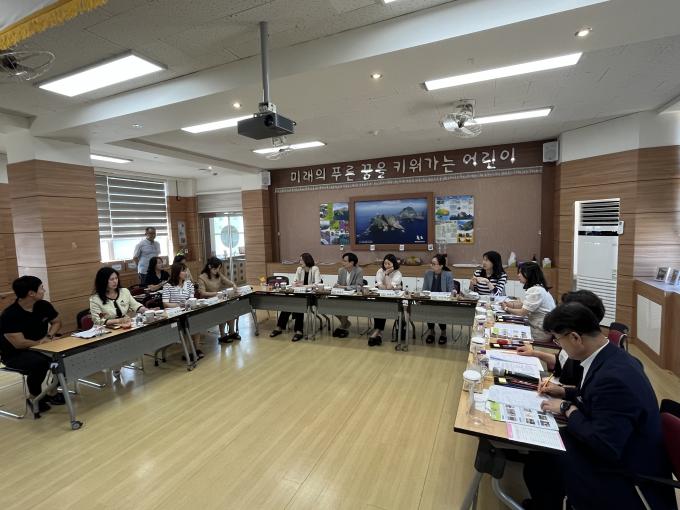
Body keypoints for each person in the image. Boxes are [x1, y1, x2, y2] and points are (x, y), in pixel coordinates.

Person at [522, 302, 677, 510]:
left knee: (545, 459)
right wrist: (564, 392)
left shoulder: (614, 379)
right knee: (542, 452)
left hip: (628, 476)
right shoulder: (610, 356)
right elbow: (595, 396)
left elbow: (604, 444)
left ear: (575, 338)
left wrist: (567, 408)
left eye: (558, 340)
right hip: (617, 447)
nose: (559, 346)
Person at [0, 276, 65, 414]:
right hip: (16, 354)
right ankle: (34, 397)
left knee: (65, 357)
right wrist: (41, 343)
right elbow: (19, 343)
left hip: (42, 347)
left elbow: (57, 322)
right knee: (40, 363)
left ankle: (52, 391)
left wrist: (49, 336)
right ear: (31, 293)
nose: (44, 290)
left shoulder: (43, 305)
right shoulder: (9, 315)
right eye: (41, 288)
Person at [517, 289, 605, 386]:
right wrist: (534, 353)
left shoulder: (583, 352)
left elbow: (578, 389)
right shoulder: (574, 343)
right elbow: (562, 361)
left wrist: (563, 392)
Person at [269, 253, 321, 342]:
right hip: (299, 294)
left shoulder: (315, 269)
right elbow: (294, 282)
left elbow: (317, 284)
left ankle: (299, 331)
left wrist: (303, 286)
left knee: (298, 304)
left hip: (311, 296)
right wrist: (295, 284)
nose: (300, 262)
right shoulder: (299, 269)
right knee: (289, 303)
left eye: (301, 260)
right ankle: (279, 327)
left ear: (307, 260)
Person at [500, 262, 555, 341]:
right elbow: (525, 305)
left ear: (530, 274)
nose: (518, 275)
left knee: (505, 332)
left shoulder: (536, 290)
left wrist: (506, 308)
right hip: (539, 327)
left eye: (521, 272)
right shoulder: (538, 287)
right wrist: (510, 304)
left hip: (539, 332)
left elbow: (522, 312)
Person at [162, 263, 202, 359]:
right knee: (185, 323)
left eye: (186, 270)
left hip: (187, 310)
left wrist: (187, 304)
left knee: (196, 320)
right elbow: (165, 304)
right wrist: (179, 305)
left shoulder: (188, 284)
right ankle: (187, 352)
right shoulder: (168, 286)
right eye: (183, 271)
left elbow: (191, 299)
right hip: (175, 313)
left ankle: (196, 349)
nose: (186, 273)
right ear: (177, 272)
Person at [197, 257, 240, 343]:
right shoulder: (202, 277)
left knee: (231, 308)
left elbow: (227, 281)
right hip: (209, 303)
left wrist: (233, 285)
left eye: (219, 268)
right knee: (223, 311)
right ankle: (223, 335)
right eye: (216, 268)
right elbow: (202, 293)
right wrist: (216, 294)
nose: (217, 270)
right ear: (209, 266)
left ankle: (231, 332)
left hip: (219, 300)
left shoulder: (218, 275)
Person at [368, 254, 402, 346]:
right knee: (378, 307)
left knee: (383, 307)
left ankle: (377, 332)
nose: (386, 265)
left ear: (394, 264)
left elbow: (388, 287)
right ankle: (379, 333)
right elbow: (380, 286)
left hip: (393, 299)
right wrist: (392, 287)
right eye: (385, 263)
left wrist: (386, 274)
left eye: (389, 264)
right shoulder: (380, 271)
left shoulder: (397, 273)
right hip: (380, 297)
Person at [422, 254, 455, 345]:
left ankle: (443, 332)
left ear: (441, 266)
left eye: (434, 264)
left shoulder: (448, 275)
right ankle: (431, 331)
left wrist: (453, 291)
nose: (431, 265)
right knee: (428, 308)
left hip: (443, 302)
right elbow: (424, 289)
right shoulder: (428, 274)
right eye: (431, 263)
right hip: (430, 301)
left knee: (440, 309)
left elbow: (451, 290)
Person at [332, 252, 364, 338]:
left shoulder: (359, 271)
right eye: (342, 260)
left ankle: (342, 326)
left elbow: (358, 286)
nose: (342, 262)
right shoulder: (341, 270)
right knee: (330, 305)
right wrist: (336, 285)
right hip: (342, 295)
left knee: (344, 305)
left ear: (352, 262)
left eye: (345, 261)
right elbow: (339, 283)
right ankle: (346, 323)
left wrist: (344, 287)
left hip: (353, 297)